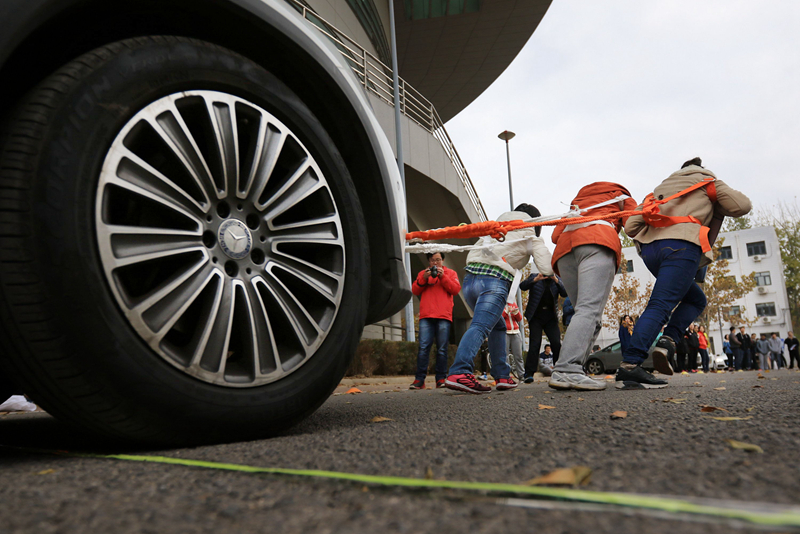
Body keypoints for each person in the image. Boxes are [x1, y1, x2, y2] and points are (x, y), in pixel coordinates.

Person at [619, 157, 752, 389]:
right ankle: (630, 365)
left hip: (651, 253)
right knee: (660, 305)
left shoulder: (658, 191)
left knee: (696, 299)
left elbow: (631, 227)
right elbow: (742, 206)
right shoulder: (708, 183)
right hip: (681, 248)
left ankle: (668, 341)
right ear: (700, 169)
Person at [445, 204, 553, 394]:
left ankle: (502, 375)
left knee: (498, 326)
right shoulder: (529, 234)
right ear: (536, 222)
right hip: (494, 280)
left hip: (470, 281)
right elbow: (546, 268)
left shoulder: (495, 227)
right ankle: (460, 371)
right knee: (481, 326)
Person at [544, 182, 638, 391]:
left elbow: (555, 236)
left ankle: (574, 369)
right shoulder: (620, 197)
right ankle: (567, 369)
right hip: (597, 243)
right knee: (589, 311)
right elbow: (633, 226)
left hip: (565, 252)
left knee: (585, 314)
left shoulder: (577, 205)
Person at [409, 252, 461, 389]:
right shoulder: (423, 274)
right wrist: (424, 279)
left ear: (443, 260)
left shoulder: (451, 273)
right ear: (429, 261)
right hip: (426, 315)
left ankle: (441, 379)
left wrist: (443, 276)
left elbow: (455, 290)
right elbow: (415, 290)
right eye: (433, 260)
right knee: (423, 348)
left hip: (443, 316)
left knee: (442, 349)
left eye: (438, 260)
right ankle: (419, 380)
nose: (436, 263)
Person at [520, 271, 567, 383]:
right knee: (535, 344)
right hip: (536, 316)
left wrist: (556, 280)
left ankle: (559, 371)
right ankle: (529, 373)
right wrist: (536, 279)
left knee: (556, 343)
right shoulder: (534, 276)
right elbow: (522, 286)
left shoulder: (556, 279)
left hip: (551, 318)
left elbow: (565, 293)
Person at [503, 302, 524, 379]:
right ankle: (506, 376)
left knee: (518, 355)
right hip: (505, 332)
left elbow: (519, 318)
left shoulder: (513, 303)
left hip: (516, 332)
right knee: (505, 356)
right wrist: (506, 311)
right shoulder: (500, 303)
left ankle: (522, 375)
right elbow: (499, 317)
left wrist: (516, 313)